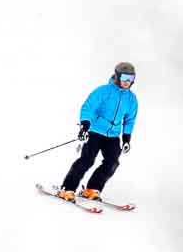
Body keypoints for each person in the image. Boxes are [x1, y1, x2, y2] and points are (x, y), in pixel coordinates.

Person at [58, 61, 137, 201]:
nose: (127, 82)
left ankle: (92, 189)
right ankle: (67, 189)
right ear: (117, 76)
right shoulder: (103, 91)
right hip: (94, 131)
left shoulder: (131, 99)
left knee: (112, 162)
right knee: (87, 160)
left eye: (130, 79)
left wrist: (126, 139)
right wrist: (85, 125)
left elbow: (129, 119)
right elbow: (88, 107)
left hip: (113, 135)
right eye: (124, 78)